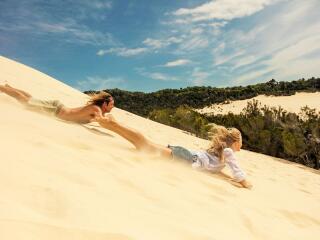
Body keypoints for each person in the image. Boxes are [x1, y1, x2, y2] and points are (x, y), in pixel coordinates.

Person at [96, 114, 252, 189]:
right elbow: (238, 173)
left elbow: (215, 170)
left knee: (145, 146)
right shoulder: (228, 153)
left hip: (185, 155)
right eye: (241, 142)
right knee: (145, 145)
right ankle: (113, 124)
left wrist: (227, 179)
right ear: (236, 142)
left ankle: (113, 125)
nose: (242, 145)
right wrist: (246, 184)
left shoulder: (222, 154)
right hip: (186, 157)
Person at [0, 84, 114, 123]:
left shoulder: (95, 109)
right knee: (26, 101)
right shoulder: (96, 109)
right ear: (105, 104)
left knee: (30, 99)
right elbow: (100, 119)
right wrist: (110, 119)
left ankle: (8, 88)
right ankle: (4, 89)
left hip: (56, 107)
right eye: (111, 104)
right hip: (55, 110)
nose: (112, 107)